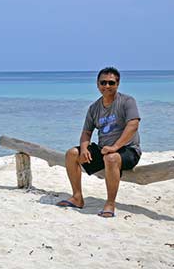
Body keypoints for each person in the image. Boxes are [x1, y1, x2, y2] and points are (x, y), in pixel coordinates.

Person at [57, 67, 141, 218]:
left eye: (111, 83)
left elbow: (133, 125)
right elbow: (86, 132)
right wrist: (84, 149)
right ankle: (77, 197)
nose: (107, 86)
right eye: (103, 82)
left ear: (118, 84)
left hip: (128, 151)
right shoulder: (94, 108)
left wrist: (115, 147)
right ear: (97, 84)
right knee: (71, 154)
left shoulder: (127, 101)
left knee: (111, 157)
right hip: (104, 150)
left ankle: (110, 203)